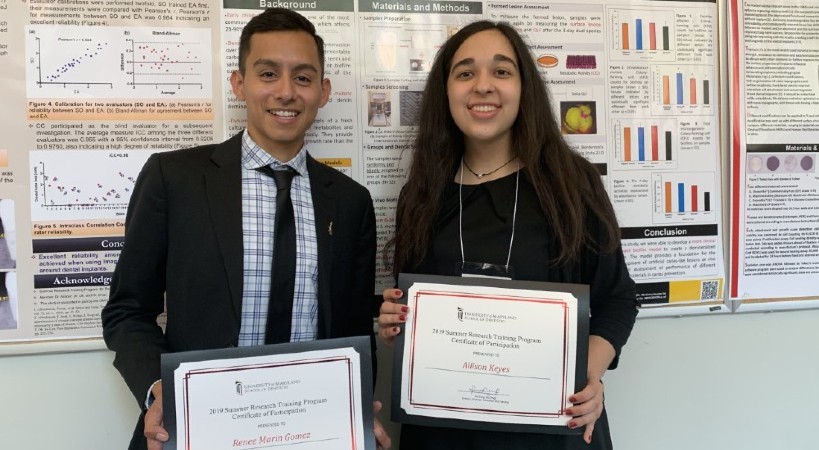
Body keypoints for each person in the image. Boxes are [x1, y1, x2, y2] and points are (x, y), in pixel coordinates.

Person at [102, 8, 389, 450]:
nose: (286, 92)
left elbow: (353, 332)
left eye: (303, 77)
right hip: (197, 427)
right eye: (268, 73)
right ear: (240, 83)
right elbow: (127, 310)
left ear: (323, 91)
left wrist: (357, 410)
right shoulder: (174, 179)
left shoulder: (350, 202)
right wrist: (158, 391)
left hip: (310, 432)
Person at [378, 20, 638, 449]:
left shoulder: (573, 184)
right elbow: (409, 306)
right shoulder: (421, 194)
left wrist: (585, 376)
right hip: (443, 432)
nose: (483, 86)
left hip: (554, 429)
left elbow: (618, 298)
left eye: (501, 71)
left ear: (524, 88)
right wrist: (396, 321)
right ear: (446, 92)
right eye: (465, 73)